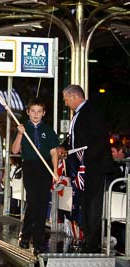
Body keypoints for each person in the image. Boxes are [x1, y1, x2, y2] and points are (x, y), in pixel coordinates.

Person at [62, 84, 111, 253]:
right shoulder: (78, 114)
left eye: (67, 99)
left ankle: (92, 242)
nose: (66, 103)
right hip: (82, 167)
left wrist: (85, 160)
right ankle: (87, 236)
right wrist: (65, 147)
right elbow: (74, 138)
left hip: (93, 167)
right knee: (84, 203)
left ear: (75, 97)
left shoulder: (92, 112)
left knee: (93, 204)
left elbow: (100, 140)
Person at [11, 98, 59, 256]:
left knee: (42, 203)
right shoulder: (22, 129)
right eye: (33, 111)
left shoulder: (48, 130)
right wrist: (19, 134)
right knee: (33, 201)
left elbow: (53, 152)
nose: (36, 114)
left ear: (44, 113)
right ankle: (25, 235)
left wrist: (55, 171)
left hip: (45, 168)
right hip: (30, 166)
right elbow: (16, 150)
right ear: (28, 112)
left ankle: (38, 242)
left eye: (39, 111)